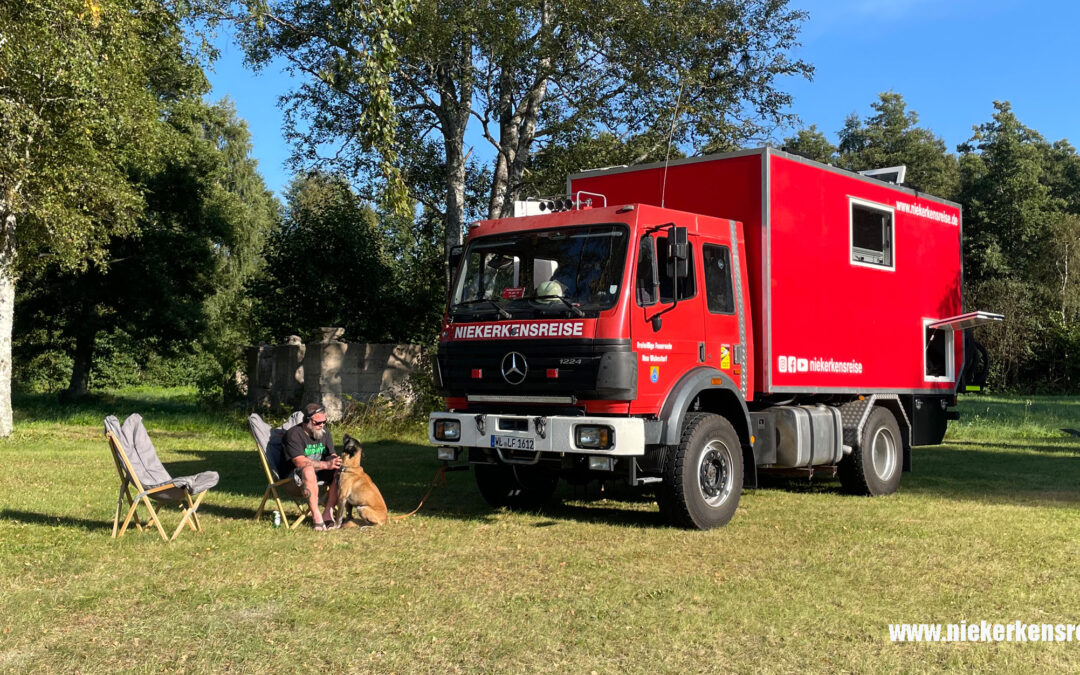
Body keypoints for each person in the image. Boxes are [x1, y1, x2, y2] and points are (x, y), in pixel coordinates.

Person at [283, 403, 342, 531]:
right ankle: (316, 516)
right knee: (308, 470)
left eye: (324, 422)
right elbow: (300, 463)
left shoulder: (324, 433)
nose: (322, 425)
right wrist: (326, 464)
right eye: (317, 423)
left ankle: (328, 511)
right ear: (307, 421)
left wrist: (336, 461)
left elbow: (331, 454)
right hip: (295, 478)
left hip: (319, 473)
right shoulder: (293, 435)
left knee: (341, 471)